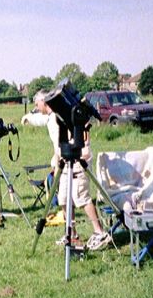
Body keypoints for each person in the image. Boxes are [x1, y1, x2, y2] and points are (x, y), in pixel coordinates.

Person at [34, 90, 111, 251]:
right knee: (63, 199)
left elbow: (79, 134)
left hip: (77, 159)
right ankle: (72, 234)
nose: (36, 107)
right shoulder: (53, 118)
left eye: (37, 103)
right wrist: (55, 162)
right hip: (64, 159)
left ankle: (100, 232)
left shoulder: (57, 117)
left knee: (82, 197)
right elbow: (58, 144)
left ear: (44, 102)